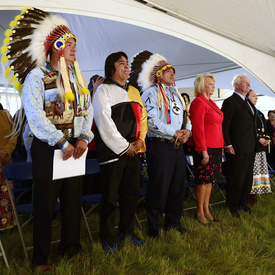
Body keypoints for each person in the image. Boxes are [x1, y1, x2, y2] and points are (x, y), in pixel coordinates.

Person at [3, 8, 93, 272]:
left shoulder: (77, 77)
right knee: (45, 205)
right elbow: (35, 117)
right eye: (70, 45)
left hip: (75, 148)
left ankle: (70, 248)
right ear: (56, 46)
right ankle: (40, 258)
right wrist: (61, 142)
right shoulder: (36, 77)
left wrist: (84, 138)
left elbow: (86, 110)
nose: (75, 48)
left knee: (73, 201)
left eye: (75, 44)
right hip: (50, 149)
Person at [129, 51, 191, 237]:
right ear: (158, 74)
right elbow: (151, 121)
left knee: (178, 186)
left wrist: (187, 130)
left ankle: (173, 222)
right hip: (161, 145)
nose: (172, 74)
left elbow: (186, 116)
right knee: (159, 187)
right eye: (168, 72)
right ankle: (153, 228)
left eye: (173, 71)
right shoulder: (150, 93)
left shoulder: (176, 94)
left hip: (177, 146)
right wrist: (175, 133)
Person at [93, 51, 148, 253]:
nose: (126, 67)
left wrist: (139, 142)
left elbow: (142, 119)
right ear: (111, 68)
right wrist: (125, 147)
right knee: (109, 198)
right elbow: (104, 122)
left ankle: (128, 232)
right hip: (112, 154)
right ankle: (107, 237)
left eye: (127, 64)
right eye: (121, 63)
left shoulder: (133, 91)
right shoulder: (103, 91)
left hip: (134, 152)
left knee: (131, 195)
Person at [189, 74, 224, 225]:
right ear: (202, 86)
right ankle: (199, 212)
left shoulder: (211, 103)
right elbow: (197, 129)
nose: (213, 86)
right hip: (205, 147)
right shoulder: (198, 102)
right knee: (203, 181)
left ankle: (206, 210)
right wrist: (203, 150)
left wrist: (221, 146)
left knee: (209, 181)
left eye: (213, 84)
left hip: (215, 146)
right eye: (210, 84)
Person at [221, 74, 257, 218]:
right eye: (245, 83)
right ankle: (232, 206)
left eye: (249, 83)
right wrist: (228, 144)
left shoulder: (247, 101)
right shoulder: (230, 101)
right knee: (237, 178)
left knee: (247, 178)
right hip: (237, 147)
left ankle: (243, 204)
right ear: (236, 85)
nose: (248, 85)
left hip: (250, 147)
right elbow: (225, 126)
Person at [246, 90, 272, 205]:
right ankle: (248, 196)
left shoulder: (259, 113)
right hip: (252, 147)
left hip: (261, 148)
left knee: (258, 175)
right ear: (247, 97)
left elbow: (266, 129)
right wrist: (258, 139)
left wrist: (266, 139)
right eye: (253, 96)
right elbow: (248, 131)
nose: (256, 98)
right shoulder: (247, 112)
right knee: (251, 174)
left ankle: (254, 196)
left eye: (257, 96)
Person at [0, 106, 17, 230]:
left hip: (5, 160)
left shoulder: (6, 114)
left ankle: (7, 223)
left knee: (6, 194)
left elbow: (13, 135)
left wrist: (5, 150)